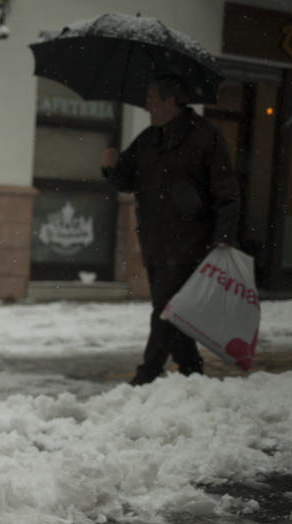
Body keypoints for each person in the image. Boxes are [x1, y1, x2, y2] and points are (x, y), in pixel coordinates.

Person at [101, 76, 241, 386]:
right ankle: (191, 370)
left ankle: (148, 373)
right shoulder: (149, 139)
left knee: (165, 307)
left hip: (194, 240)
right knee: (175, 309)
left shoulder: (206, 137)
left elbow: (227, 192)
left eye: (152, 98)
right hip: (154, 239)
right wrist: (111, 166)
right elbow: (126, 180)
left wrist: (223, 236)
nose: (147, 105)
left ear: (171, 101)